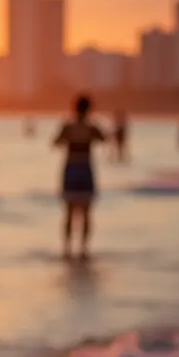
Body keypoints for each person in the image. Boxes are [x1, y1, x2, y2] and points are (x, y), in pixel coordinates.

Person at [54, 95, 105, 261]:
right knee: (86, 213)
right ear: (89, 110)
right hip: (85, 169)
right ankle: (84, 250)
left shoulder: (68, 127)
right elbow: (104, 139)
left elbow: (56, 142)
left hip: (71, 170)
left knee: (69, 212)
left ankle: (67, 250)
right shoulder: (91, 128)